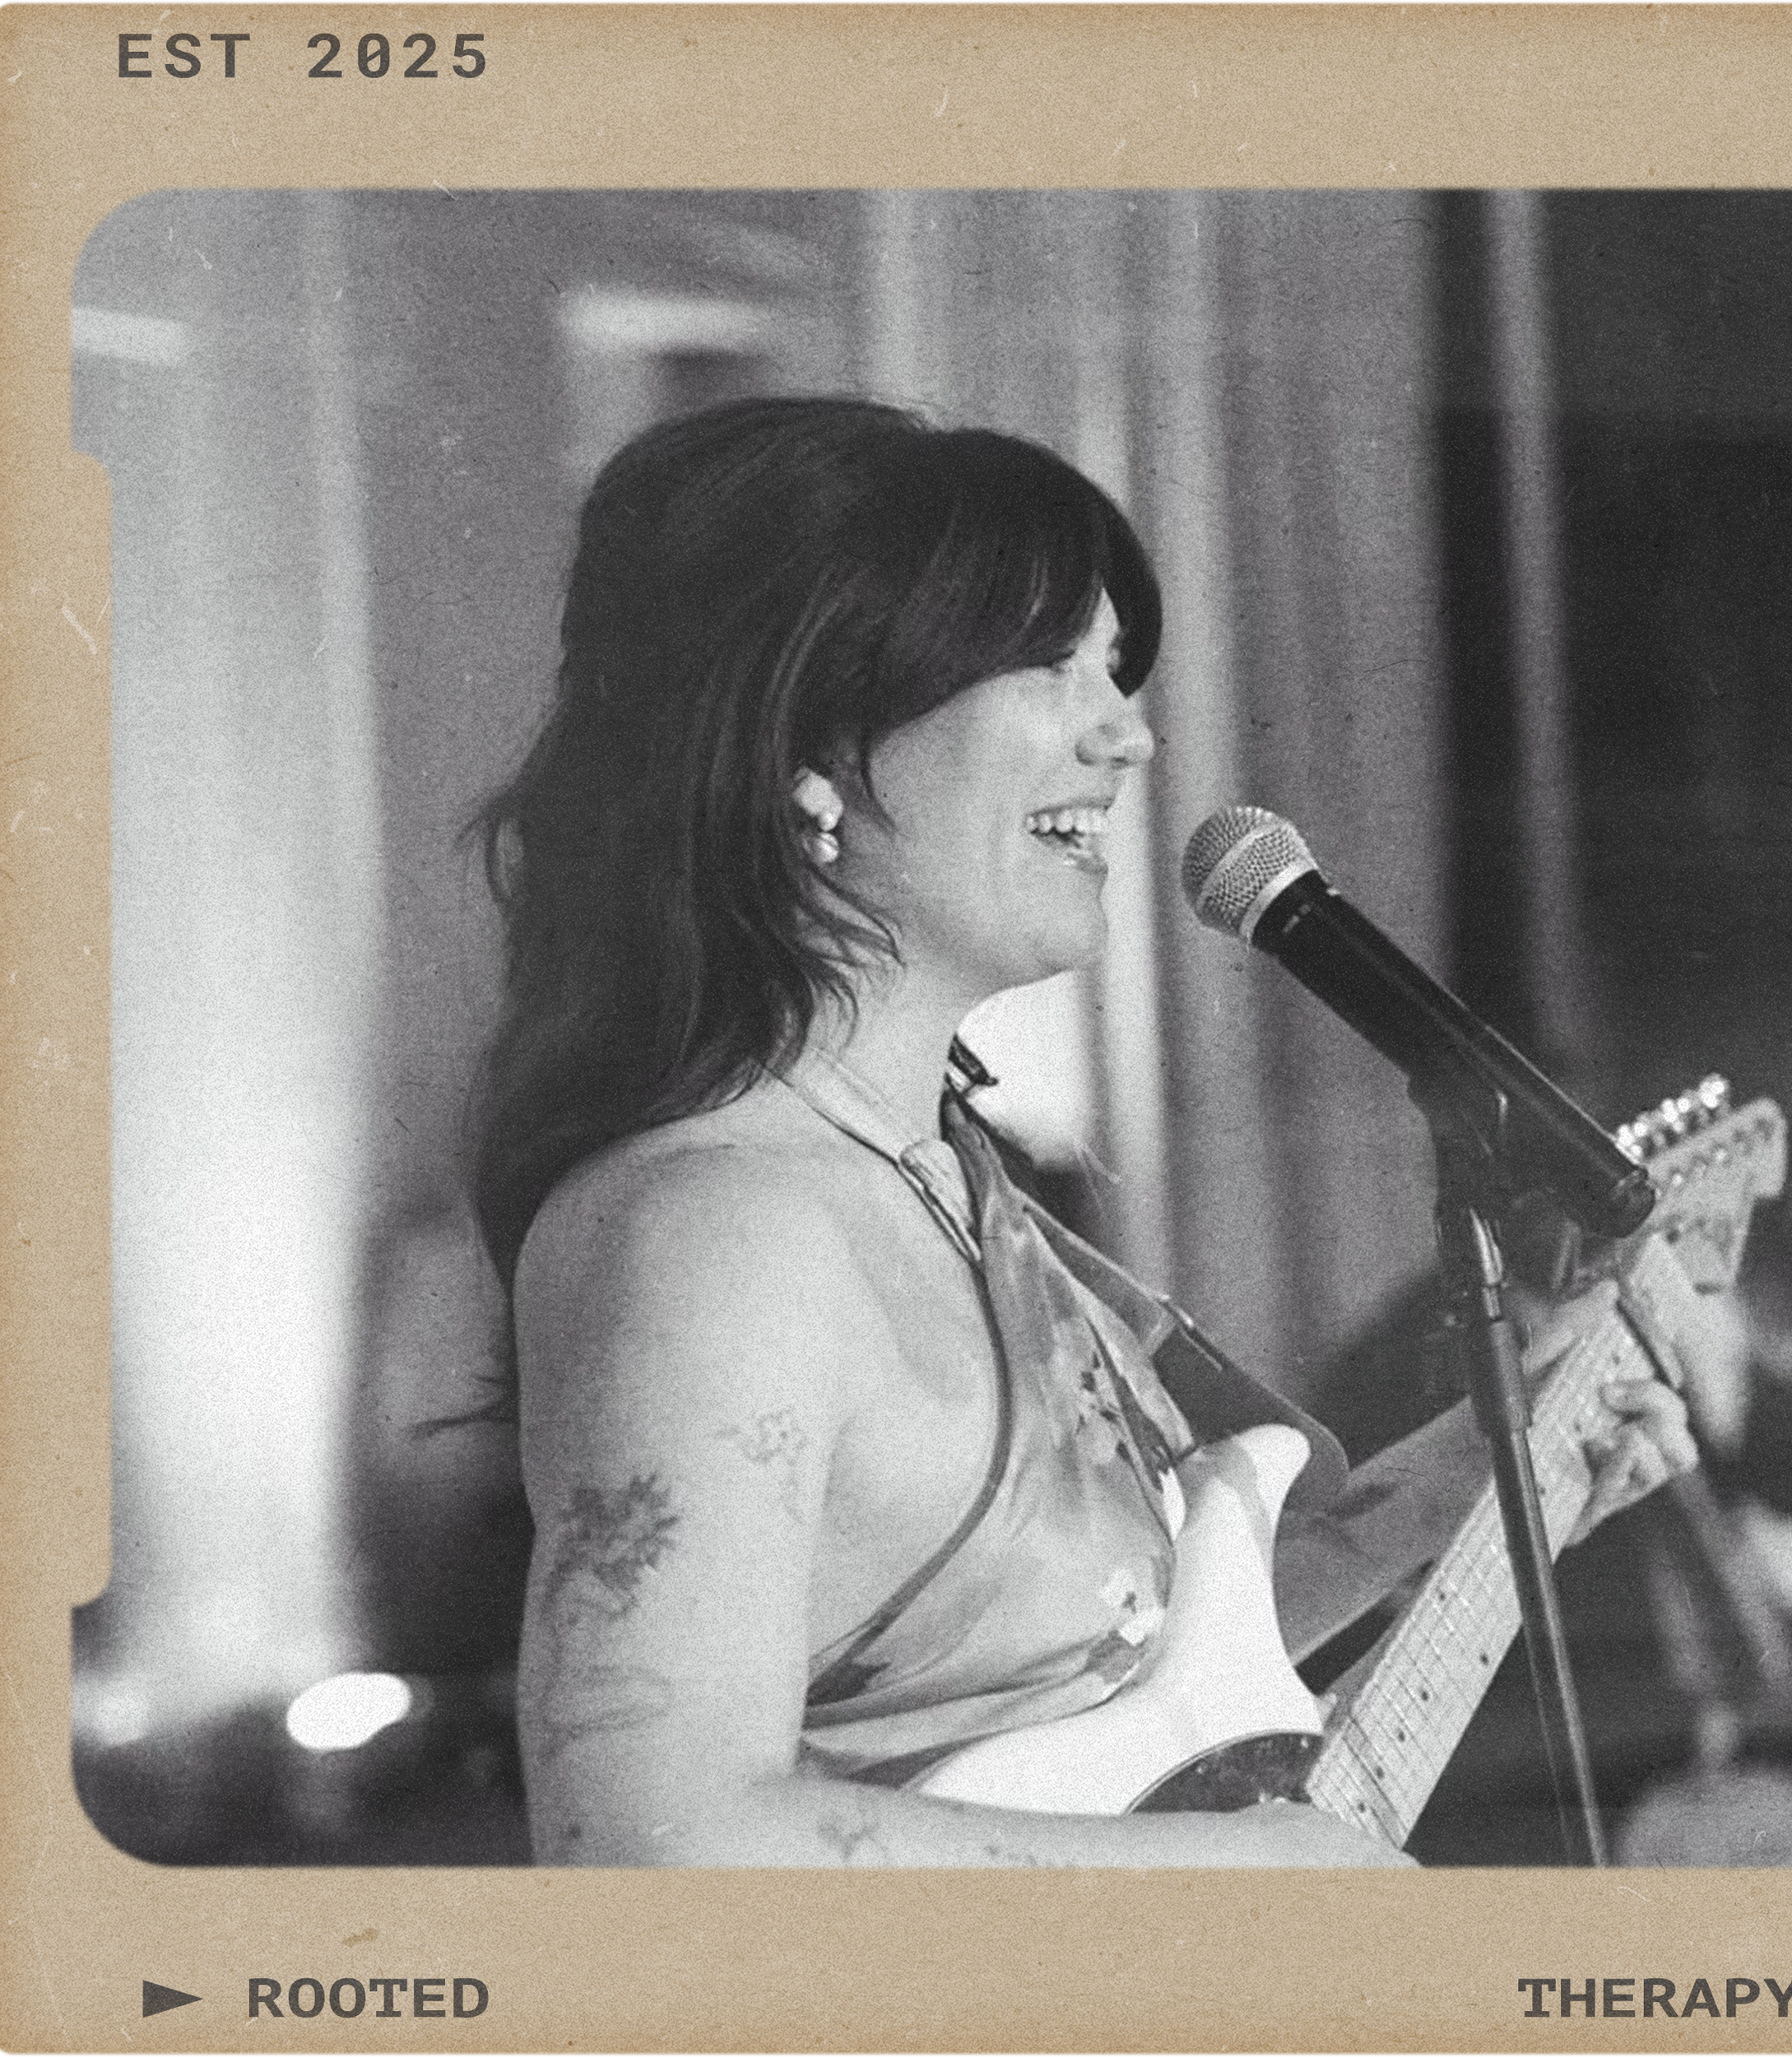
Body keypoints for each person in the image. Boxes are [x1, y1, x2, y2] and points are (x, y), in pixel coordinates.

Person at [473, 396, 1699, 1866]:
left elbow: (1088, 1687)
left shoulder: (935, 1177)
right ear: (811, 744)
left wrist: (1474, 1481)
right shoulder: (720, 1232)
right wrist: (1225, 1878)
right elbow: (645, 1840)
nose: (1131, 734)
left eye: (1116, 672)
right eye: (1053, 665)